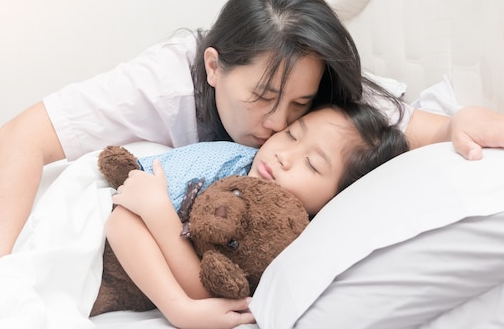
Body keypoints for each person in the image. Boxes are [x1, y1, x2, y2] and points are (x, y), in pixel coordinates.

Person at [0, 0, 504, 327]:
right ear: (212, 67)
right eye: (262, 99)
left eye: (299, 105)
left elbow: (418, 129)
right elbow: (22, 136)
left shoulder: (326, 118)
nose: (279, 127)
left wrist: (464, 122)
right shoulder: (165, 83)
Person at [102, 102, 409, 326]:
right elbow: (124, 217)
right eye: (291, 134)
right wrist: (180, 307)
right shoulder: (224, 161)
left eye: (313, 164)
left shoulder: (299, 241)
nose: (283, 155)